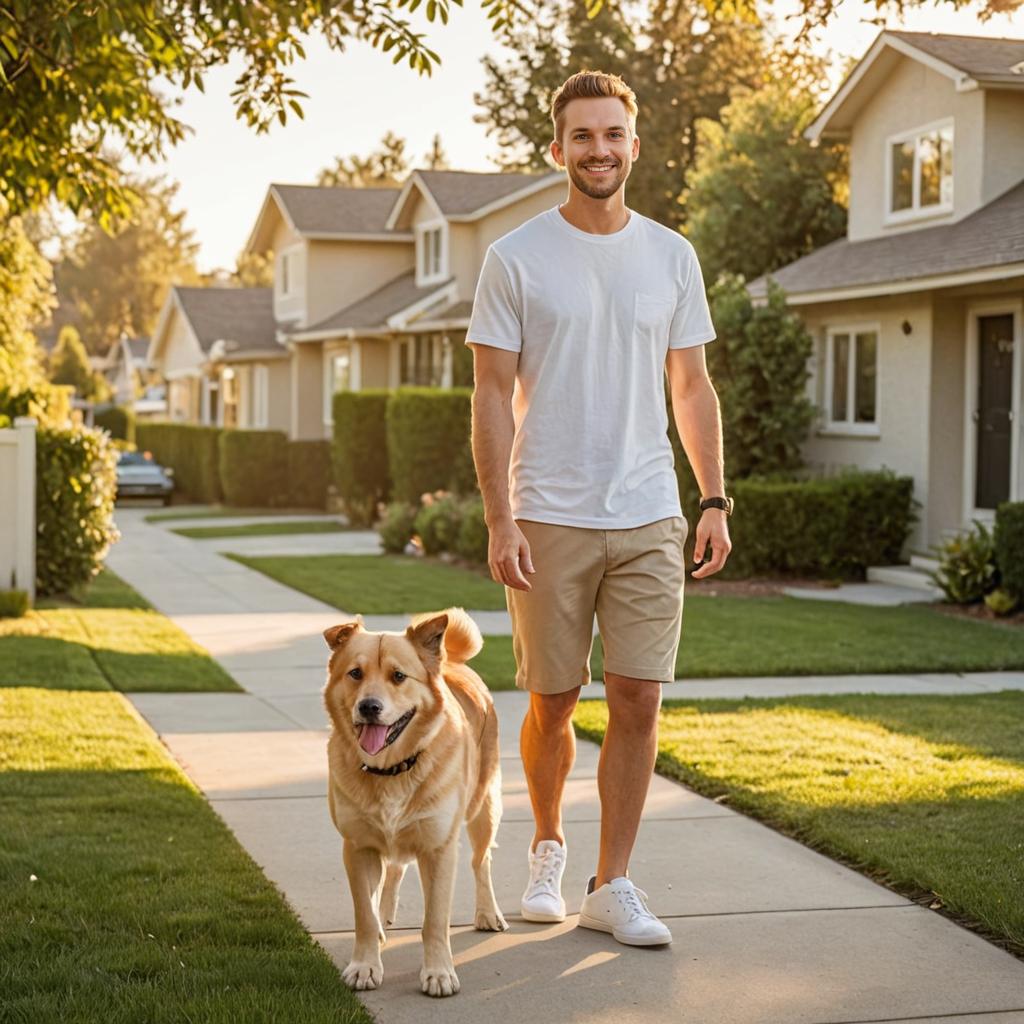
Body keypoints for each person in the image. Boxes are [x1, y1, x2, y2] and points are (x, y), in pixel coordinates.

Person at [466, 69, 733, 948]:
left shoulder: (672, 256)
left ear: (634, 144)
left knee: (639, 696)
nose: (598, 150)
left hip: (650, 508)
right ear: (557, 149)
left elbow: (691, 386)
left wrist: (714, 498)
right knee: (553, 698)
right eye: (582, 136)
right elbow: (492, 397)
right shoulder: (516, 258)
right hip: (548, 511)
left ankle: (611, 884)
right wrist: (502, 517)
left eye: (612, 134)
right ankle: (546, 849)